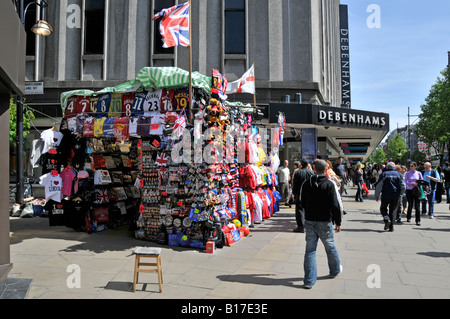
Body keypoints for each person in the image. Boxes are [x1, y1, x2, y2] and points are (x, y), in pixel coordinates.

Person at [300, 159, 342, 289]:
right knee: (330, 247)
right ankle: (334, 270)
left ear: (313, 168)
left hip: (310, 220)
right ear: (326, 170)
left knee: (310, 250)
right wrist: (338, 221)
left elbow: (302, 202)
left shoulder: (306, 183)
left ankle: (309, 280)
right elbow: (336, 204)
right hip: (325, 220)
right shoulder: (330, 184)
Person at [375, 162, 405, 231]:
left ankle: (386, 218)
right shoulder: (399, 175)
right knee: (393, 211)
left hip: (386, 195)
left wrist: (377, 195)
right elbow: (403, 186)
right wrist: (400, 194)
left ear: (387, 167)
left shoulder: (384, 174)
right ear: (394, 167)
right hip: (395, 195)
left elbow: (379, 186)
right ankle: (391, 227)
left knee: (383, 208)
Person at [291, 160, 314, 233]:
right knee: (308, 209)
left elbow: (295, 184)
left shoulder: (298, 172)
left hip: (299, 194)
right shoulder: (311, 173)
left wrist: (294, 193)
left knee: (299, 210)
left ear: (301, 165)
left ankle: (301, 226)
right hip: (309, 194)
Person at [405, 161, 423, 226]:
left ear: (415, 166)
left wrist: (418, 183)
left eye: (412, 166)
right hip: (409, 190)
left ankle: (418, 220)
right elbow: (405, 181)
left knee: (417, 206)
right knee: (410, 204)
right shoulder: (407, 173)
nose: (411, 167)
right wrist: (411, 183)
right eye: (410, 166)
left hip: (416, 190)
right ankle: (408, 217)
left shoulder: (419, 173)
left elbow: (421, 180)